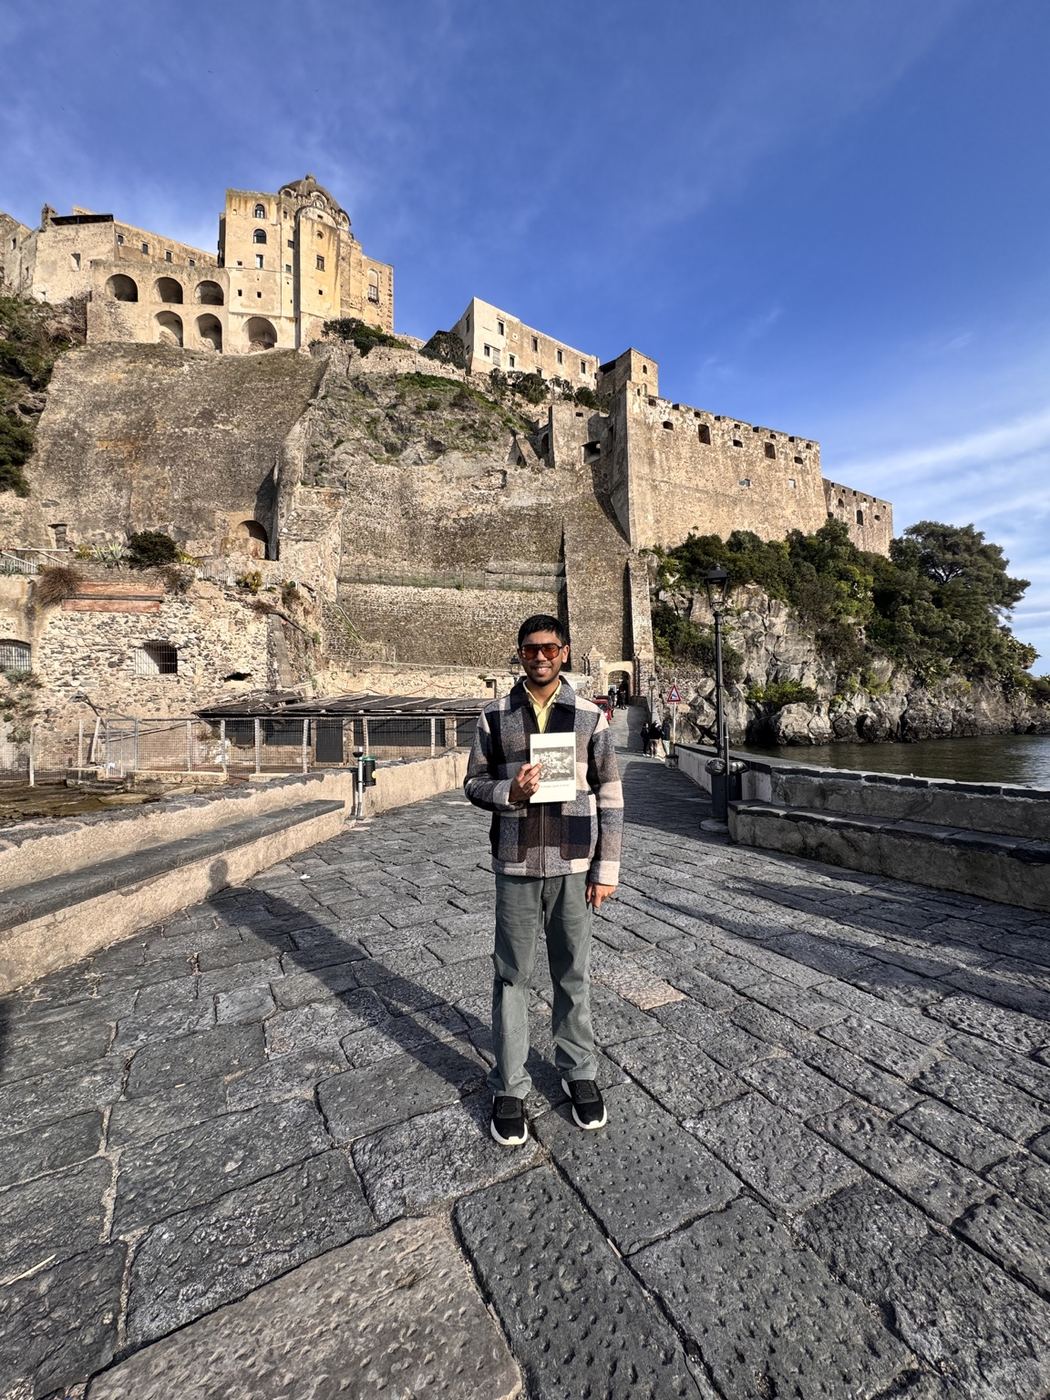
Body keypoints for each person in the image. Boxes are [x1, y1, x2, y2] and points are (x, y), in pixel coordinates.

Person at [465, 614, 623, 1148]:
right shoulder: (494, 715)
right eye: (530, 649)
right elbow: (472, 784)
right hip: (515, 860)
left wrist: (607, 869)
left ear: (565, 652)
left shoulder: (590, 717)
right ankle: (508, 1085)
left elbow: (612, 796)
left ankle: (579, 1072)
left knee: (572, 974)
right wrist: (508, 791)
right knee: (511, 975)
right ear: (520, 653)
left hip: (575, 862)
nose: (539, 657)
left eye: (549, 648)